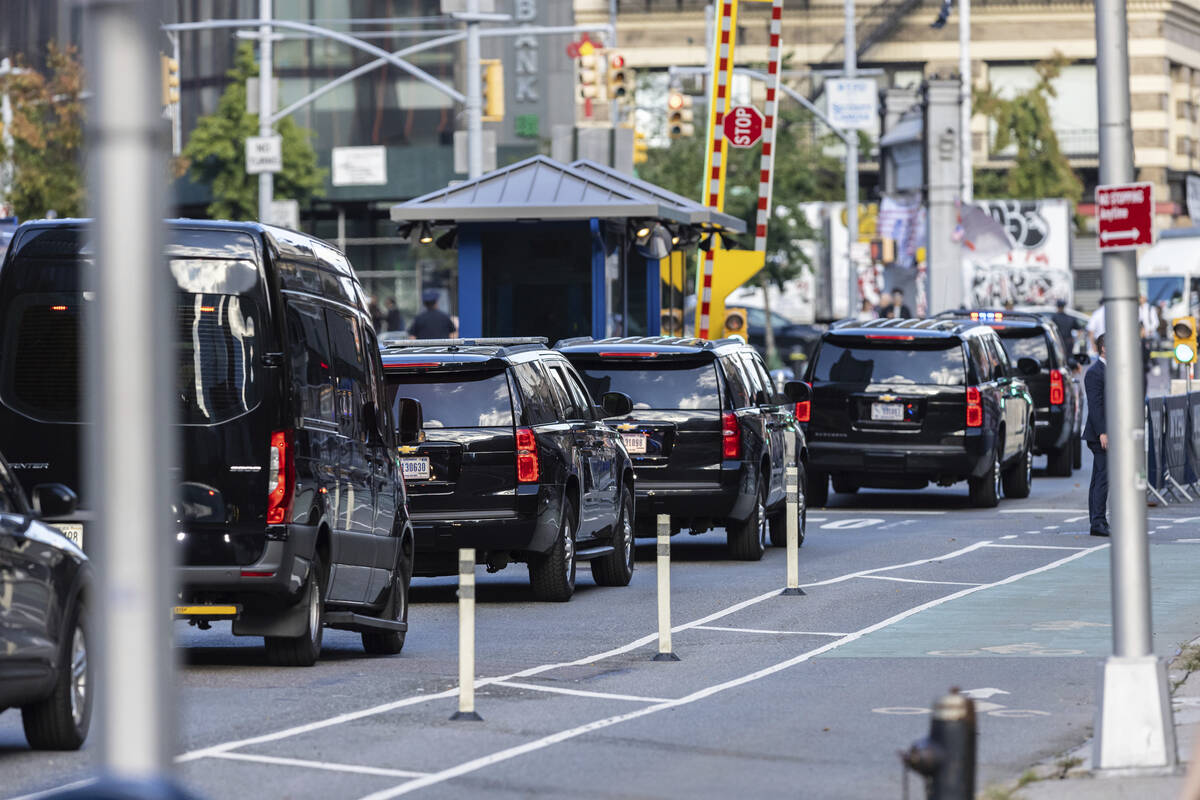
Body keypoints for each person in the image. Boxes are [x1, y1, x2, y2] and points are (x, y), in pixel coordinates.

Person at [1083, 334, 1109, 537]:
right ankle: (1098, 522)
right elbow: (1095, 405)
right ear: (1104, 348)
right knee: (1103, 477)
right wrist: (1103, 432)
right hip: (1100, 433)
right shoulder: (1095, 372)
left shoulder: (1112, 370)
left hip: (1106, 431)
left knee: (1099, 477)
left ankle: (1097, 520)